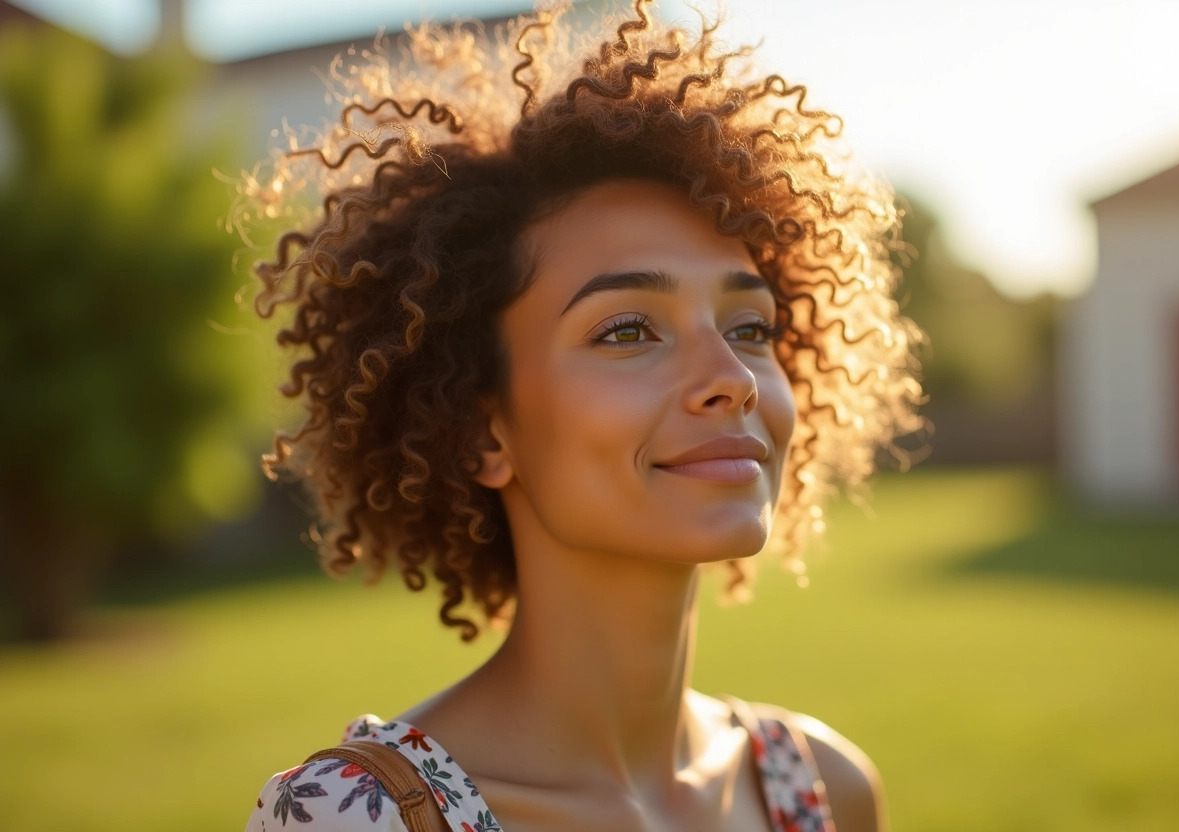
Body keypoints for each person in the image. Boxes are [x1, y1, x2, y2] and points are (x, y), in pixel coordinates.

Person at [240, 1, 922, 830]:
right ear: (479, 430)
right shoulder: (360, 819)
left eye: (751, 328)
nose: (733, 378)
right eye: (628, 329)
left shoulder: (824, 791)